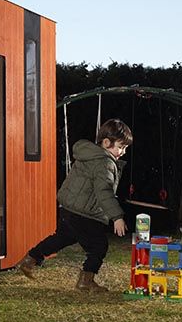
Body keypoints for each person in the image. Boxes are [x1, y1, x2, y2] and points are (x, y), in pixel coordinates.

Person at [16, 118, 132, 291]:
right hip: (85, 214)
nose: (122, 152)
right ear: (107, 142)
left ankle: (29, 259)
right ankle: (86, 280)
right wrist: (117, 217)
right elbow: (104, 191)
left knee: (61, 238)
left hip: (69, 209)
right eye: (121, 147)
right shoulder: (104, 162)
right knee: (99, 246)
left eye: (125, 148)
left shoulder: (88, 155)